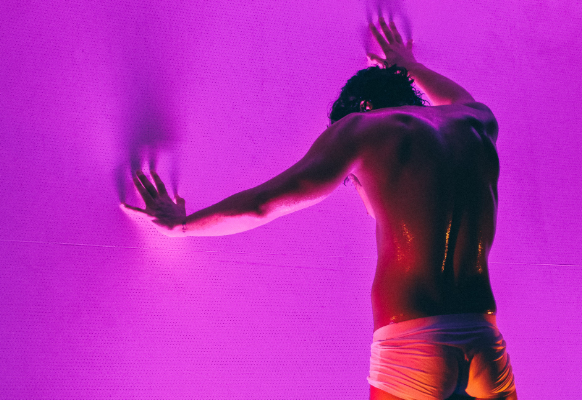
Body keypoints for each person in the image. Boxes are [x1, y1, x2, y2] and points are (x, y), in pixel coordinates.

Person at [122, 17, 517, 400]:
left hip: (413, 345)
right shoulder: (477, 120)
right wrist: (409, 65)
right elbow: (457, 98)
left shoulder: (362, 127)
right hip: (484, 340)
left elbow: (263, 205)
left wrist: (182, 225)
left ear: (362, 106)